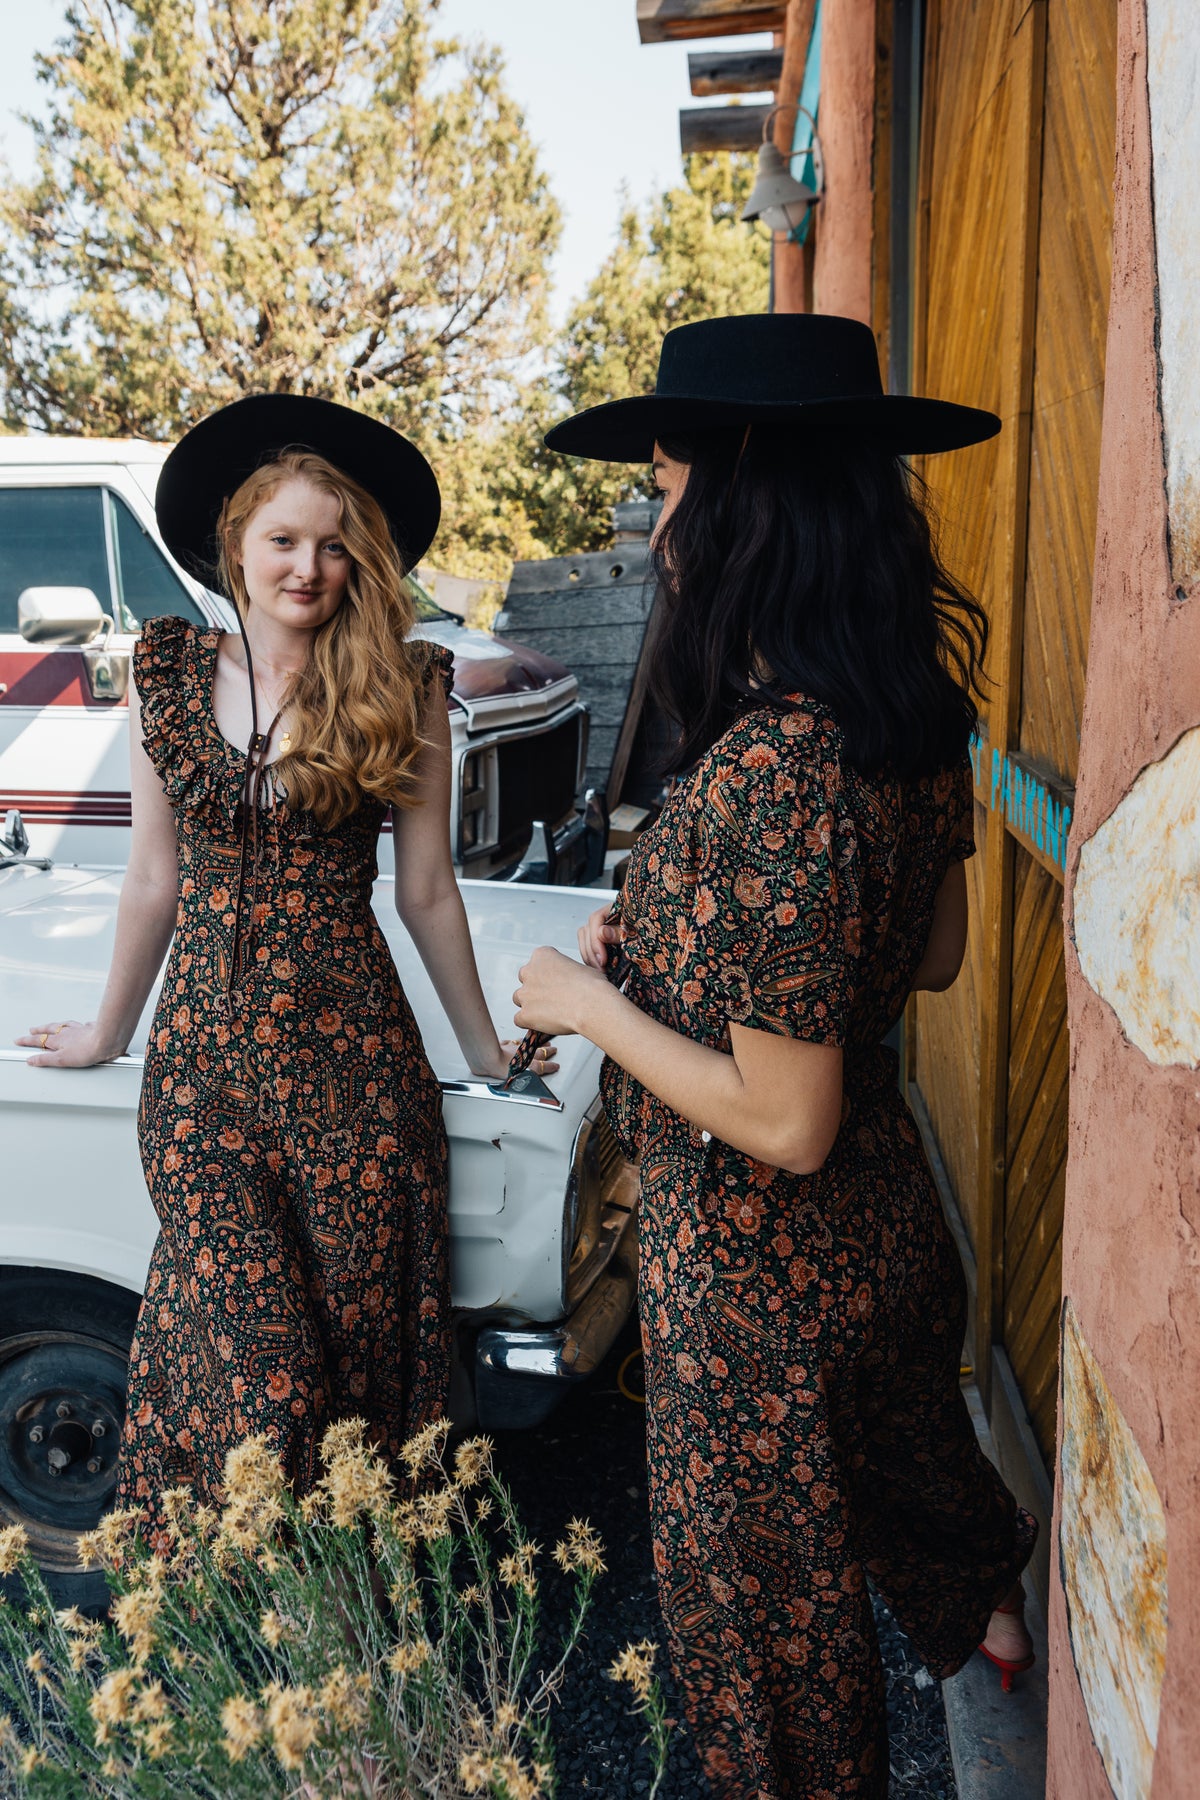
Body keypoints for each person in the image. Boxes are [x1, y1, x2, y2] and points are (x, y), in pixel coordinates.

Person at [511, 315, 1037, 1799]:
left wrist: (588, 1002)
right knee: (910, 1483)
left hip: (756, 1288)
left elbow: (785, 1118)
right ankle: (993, 1629)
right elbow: (922, 955)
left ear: (748, 495)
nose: (657, 523)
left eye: (669, 484)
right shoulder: (900, 717)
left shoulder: (773, 767)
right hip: (879, 1233)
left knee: (768, 1674)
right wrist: (674, 948)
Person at [18, 394, 553, 1543]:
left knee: (355, 1374)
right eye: (284, 540)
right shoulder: (167, 672)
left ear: (362, 560)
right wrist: (110, 1031)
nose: (307, 567)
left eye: (334, 545)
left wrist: (490, 1056)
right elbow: (152, 879)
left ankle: (331, 1616)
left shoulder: (405, 683)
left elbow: (427, 893)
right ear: (236, 544)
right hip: (202, 1080)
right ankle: (221, 1587)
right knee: (263, 1369)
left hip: (356, 1081)